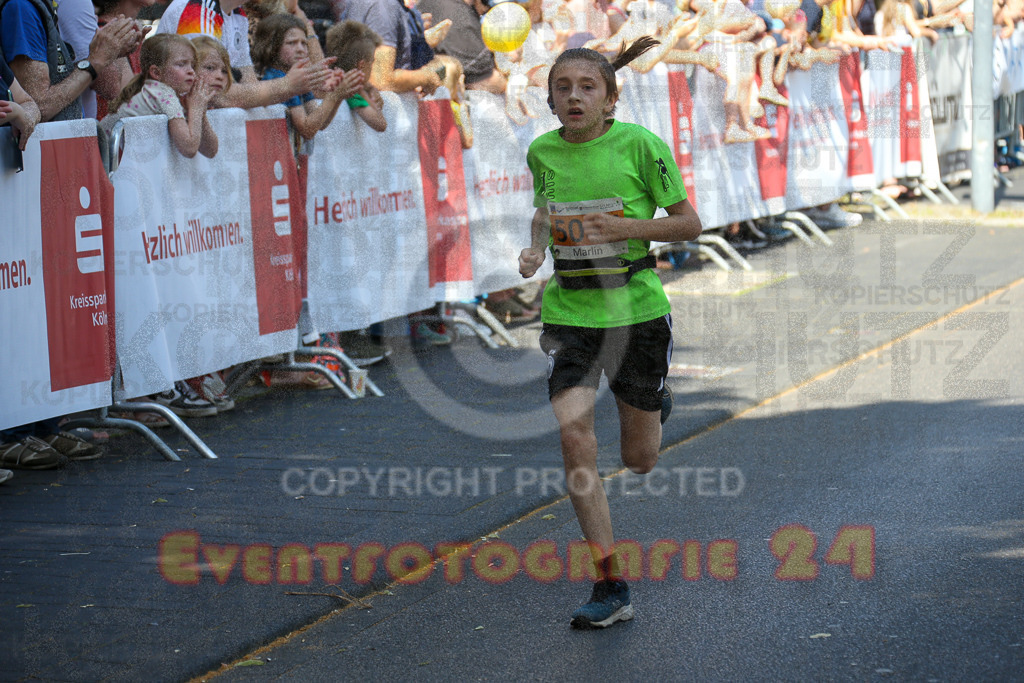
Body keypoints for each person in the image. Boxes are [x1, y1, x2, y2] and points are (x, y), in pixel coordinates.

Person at [518, 36, 702, 628]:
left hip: (636, 313)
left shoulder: (641, 145)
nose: (574, 97)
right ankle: (609, 582)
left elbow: (688, 223)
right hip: (571, 314)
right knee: (575, 440)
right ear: (550, 102)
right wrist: (535, 248)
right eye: (563, 89)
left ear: (611, 99)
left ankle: (654, 401)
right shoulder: (542, 151)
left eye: (587, 87)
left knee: (639, 458)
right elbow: (546, 210)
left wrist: (623, 225)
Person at [156, 0, 335, 109]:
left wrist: (298, 84)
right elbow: (216, 95)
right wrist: (288, 85)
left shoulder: (237, 14)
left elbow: (249, 83)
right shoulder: (196, 10)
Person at [102, 34, 218, 158]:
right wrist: (196, 109)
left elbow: (210, 151)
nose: (191, 71)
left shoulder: (165, 93)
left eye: (192, 65)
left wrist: (201, 111)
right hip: (103, 159)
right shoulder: (163, 94)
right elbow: (189, 148)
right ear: (156, 72)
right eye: (181, 64)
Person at [252, 13, 363, 142]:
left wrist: (338, 94)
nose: (300, 49)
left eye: (304, 43)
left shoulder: (299, 79)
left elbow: (321, 123)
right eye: (291, 43)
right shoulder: (279, 78)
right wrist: (333, 97)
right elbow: (307, 129)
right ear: (271, 46)